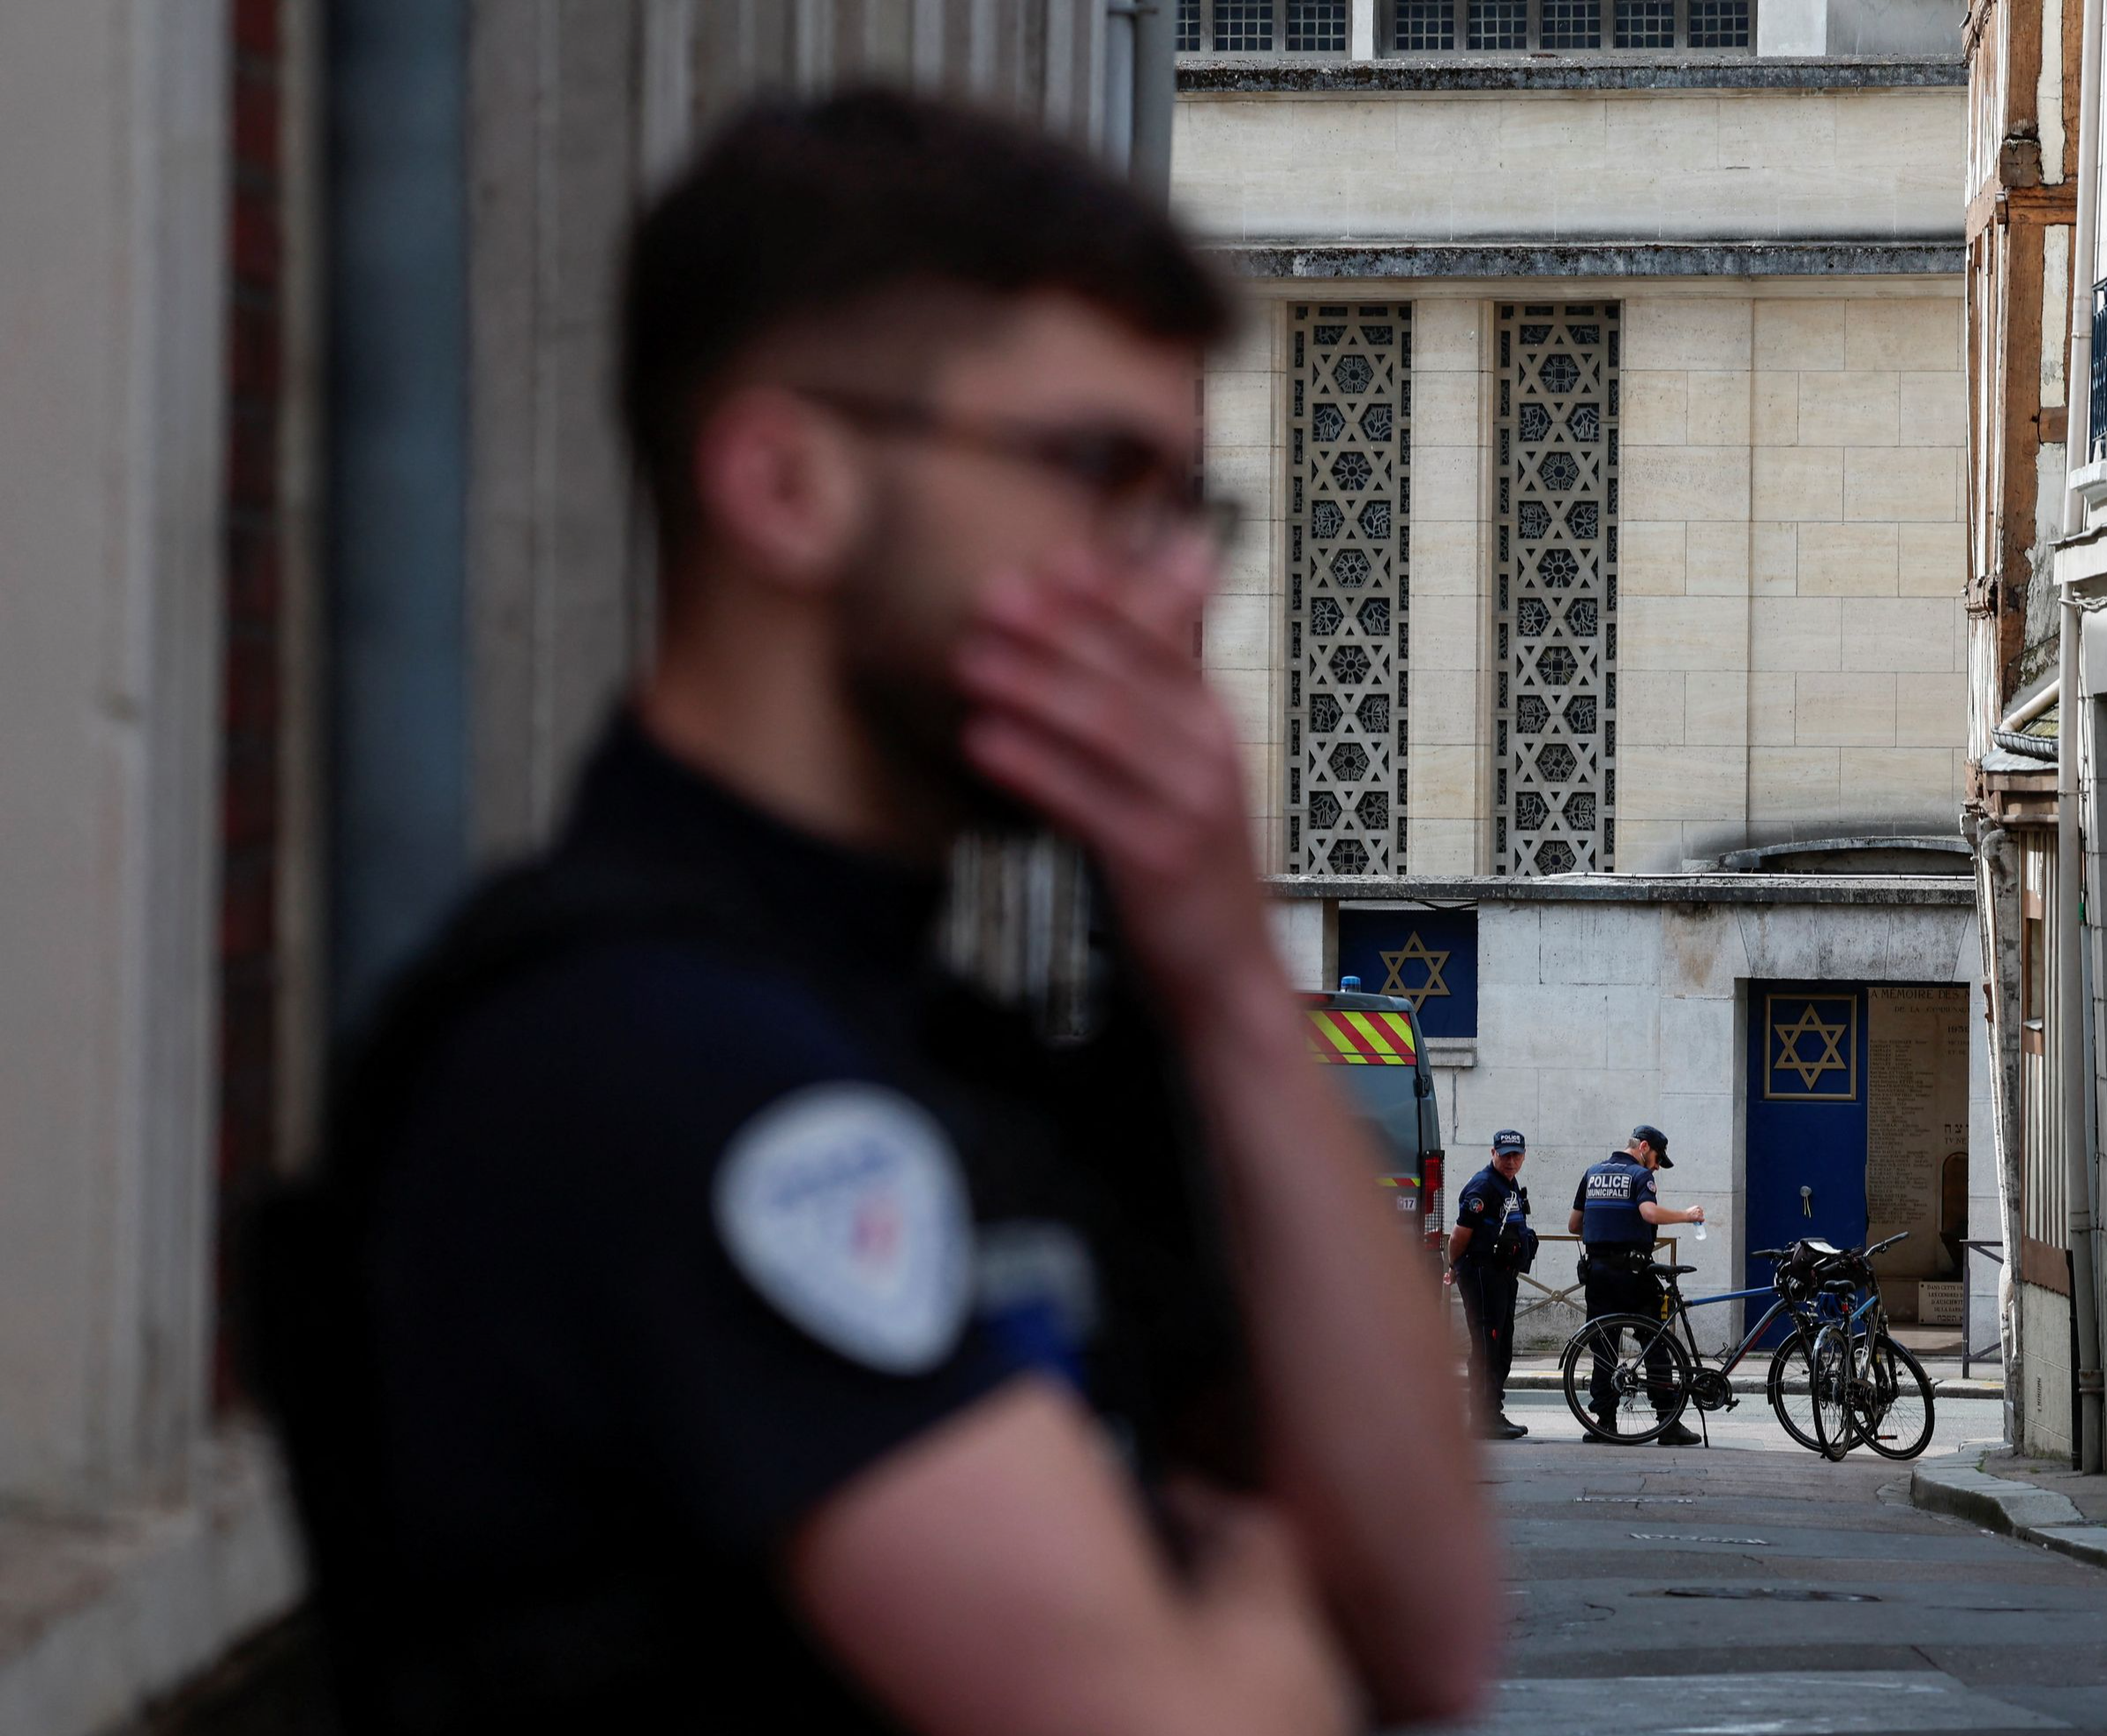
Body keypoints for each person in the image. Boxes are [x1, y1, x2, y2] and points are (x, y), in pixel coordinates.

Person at [249, 90, 1494, 1734]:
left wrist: (1230, 984)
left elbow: (1426, 1628)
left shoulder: (950, 1044)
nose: (1180, 582)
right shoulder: (634, 1056)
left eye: (1192, 507)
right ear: (785, 483)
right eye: (1095, 471)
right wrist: (1262, 1628)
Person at [1565, 1125, 1707, 1446]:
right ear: (1643, 1147)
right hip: (1632, 1273)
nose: (1656, 1166)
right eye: (1657, 1158)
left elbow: (1574, 1224)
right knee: (1656, 1342)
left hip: (1598, 1273)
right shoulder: (1641, 1177)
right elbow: (1648, 1213)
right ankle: (1667, 1422)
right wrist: (1686, 1216)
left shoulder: (1592, 1173)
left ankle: (1604, 1422)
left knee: (1603, 1346)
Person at [1444, 1132, 1537, 1440]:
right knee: (1487, 1345)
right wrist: (1454, 1267)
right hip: (1483, 1274)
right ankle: (1483, 1418)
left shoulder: (1507, 1184)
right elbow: (1459, 1235)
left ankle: (1492, 1413)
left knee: (1501, 1345)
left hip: (1502, 1276)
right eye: (1505, 1155)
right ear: (1493, 1152)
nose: (1511, 1161)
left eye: (1517, 1156)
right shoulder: (1483, 1186)